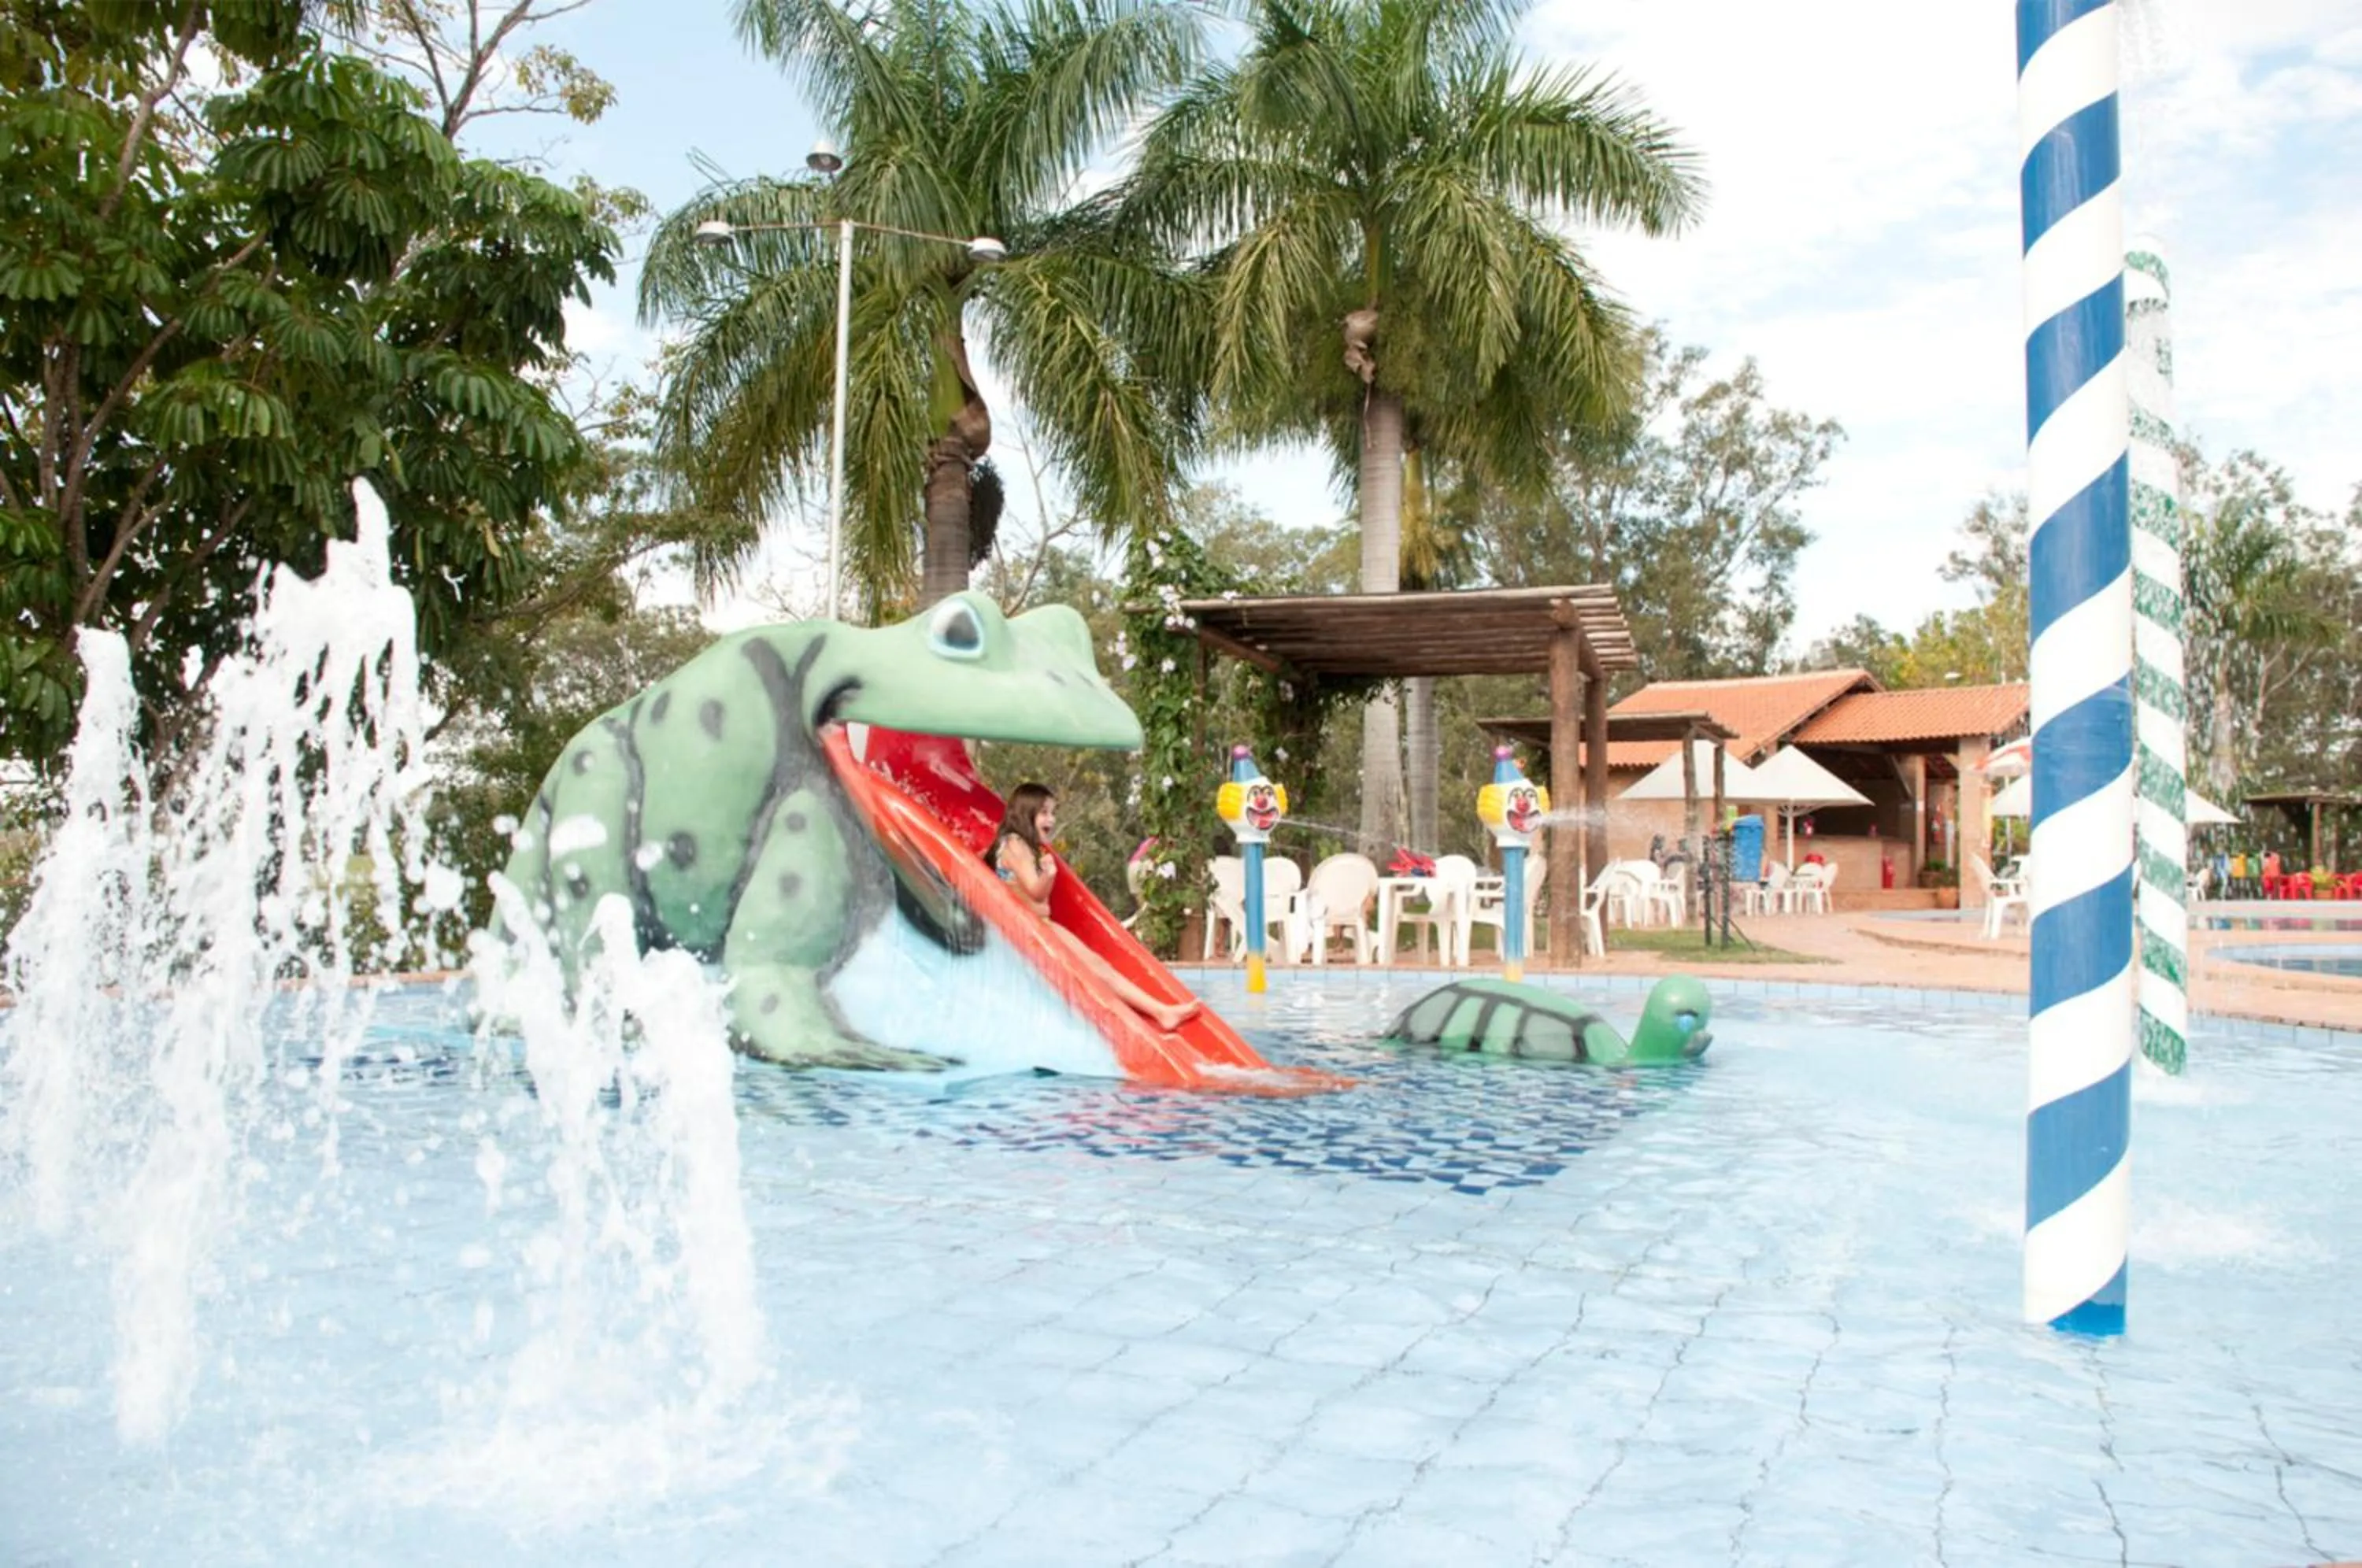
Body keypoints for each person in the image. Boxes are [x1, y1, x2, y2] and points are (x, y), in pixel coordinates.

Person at [991, 783, 1201, 1033]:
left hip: (1034, 929)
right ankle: (1160, 1013)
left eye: (1053, 812)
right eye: (1044, 813)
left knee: (1096, 965)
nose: (1052, 819)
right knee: (1095, 967)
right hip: (1033, 931)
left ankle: (1160, 1011)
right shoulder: (1016, 844)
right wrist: (1048, 874)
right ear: (1027, 813)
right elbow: (1035, 891)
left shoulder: (1015, 845)